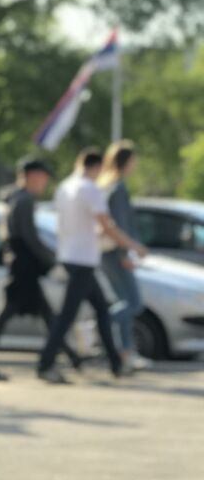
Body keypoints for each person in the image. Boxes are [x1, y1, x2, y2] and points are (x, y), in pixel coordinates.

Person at [36, 147, 148, 384]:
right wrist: (133, 246)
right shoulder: (90, 189)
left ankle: (115, 364)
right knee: (67, 315)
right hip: (83, 258)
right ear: (96, 167)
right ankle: (45, 363)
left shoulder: (64, 187)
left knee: (102, 310)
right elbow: (107, 226)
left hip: (70, 255)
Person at [0, 157, 82, 381]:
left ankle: (71, 357)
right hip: (23, 268)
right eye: (43, 178)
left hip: (21, 266)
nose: (44, 183)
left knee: (44, 314)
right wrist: (51, 262)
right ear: (32, 176)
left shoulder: (15, 198)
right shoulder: (24, 201)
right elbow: (30, 238)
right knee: (13, 313)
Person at [98, 140, 148, 373]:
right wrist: (126, 252)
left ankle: (125, 352)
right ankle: (98, 326)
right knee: (133, 303)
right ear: (126, 161)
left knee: (124, 302)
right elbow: (118, 225)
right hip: (116, 253)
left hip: (110, 253)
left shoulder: (107, 184)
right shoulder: (117, 188)